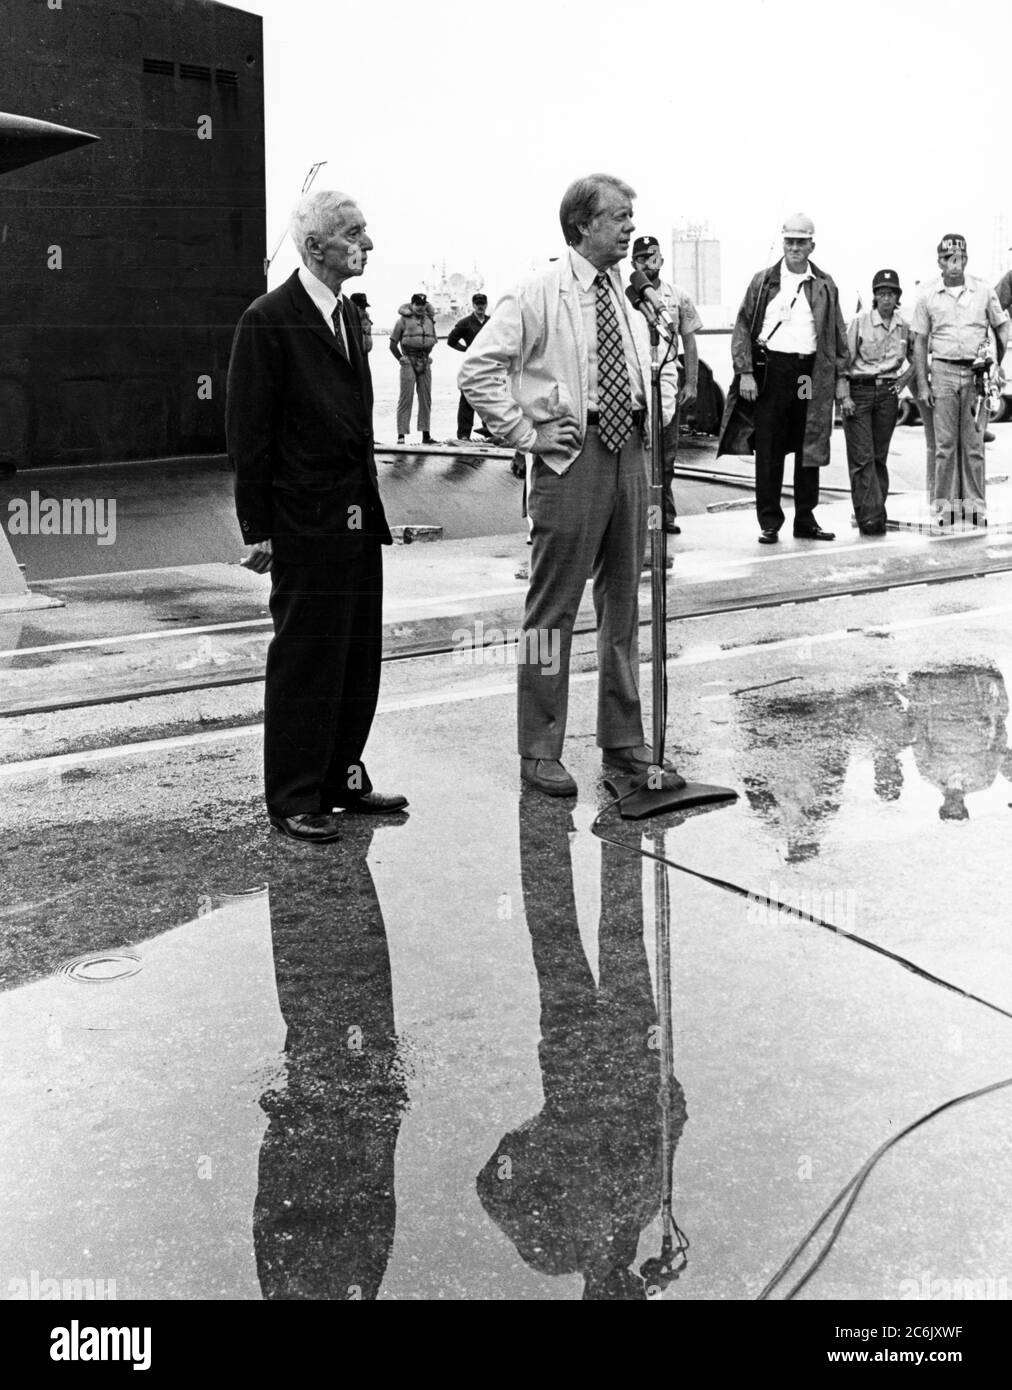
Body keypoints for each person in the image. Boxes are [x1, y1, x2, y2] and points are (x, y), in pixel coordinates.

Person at [458, 172, 683, 798]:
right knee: (552, 609)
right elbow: (477, 370)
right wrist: (527, 436)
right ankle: (539, 749)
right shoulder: (538, 294)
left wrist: (655, 413)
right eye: (619, 218)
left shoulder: (634, 297)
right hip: (571, 458)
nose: (630, 228)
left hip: (630, 454)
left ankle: (623, 741)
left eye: (632, 217)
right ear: (582, 225)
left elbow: (661, 364)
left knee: (623, 605)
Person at [226, 188, 407, 844]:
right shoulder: (268, 321)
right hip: (304, 522)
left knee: (356, 657)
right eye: (355, 234)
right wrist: (259, 529)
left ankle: (340, 779)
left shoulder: (346, 318)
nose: (369, 244)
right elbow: (250, 432)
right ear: (315, 247)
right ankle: (295, 795)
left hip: (356, 519)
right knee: (306, 658)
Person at [717, 213, 850, 545]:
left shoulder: (825, 284)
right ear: (783, 243)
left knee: (809, 442)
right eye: (789, 241)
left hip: (807, 376)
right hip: (772, 374)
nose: (794, 248)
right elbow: (743, 327)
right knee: (770, 447)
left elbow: (837, 332)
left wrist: (841, 378)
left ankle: (805, 518)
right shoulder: (763, 282)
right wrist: (745, 372)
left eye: (800, 242)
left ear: (811, 245)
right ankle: (770, 521)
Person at [912, 234, 1008, 528]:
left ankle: (976, 506)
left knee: (974, 443)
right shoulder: (927, 295)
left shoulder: (983, 290)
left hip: (976, 375)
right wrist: (924, 384)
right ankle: (944, 508)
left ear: (966, 259)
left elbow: (1001, 327)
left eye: (960, 258)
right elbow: (920, 341)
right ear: (939, 261)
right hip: (942, 370)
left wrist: (996, 366)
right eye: (947, 259)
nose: (954, 265)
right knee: (945, 445)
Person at [629, 234, 702, 534]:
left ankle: (663, 516)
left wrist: (693, 383)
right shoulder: (627, 297)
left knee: (666, 456)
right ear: (633, 262)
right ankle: (644, 519)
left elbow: (689, 340)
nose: (648, 263)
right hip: (635, 376)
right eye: (642, 258)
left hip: (668, 375)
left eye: (653, 257)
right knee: (639, 455)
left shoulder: (677, 296)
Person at [838, 269, 915, 535]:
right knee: (862, 458)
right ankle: (869, 518)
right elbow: (842, 361)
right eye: (881, 293)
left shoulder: (904, 326)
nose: (886, 298)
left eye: (891, 293)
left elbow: (920, 354)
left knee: (879, 457)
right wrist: (844, 395)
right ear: (874, 296)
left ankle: (873, 511)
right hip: (859, 393)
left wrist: (906, 378)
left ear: (897, 297)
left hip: (888, 395)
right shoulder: (859, 321)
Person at [389, 292, 438, 444]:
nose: (420, 308)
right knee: (406, 398)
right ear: (412, 304)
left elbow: (432, 340)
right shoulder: (402, 321)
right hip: (408, 360)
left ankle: (426, 435)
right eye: (417, 304)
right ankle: (401, 435)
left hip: (424, 361)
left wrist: (426, 356)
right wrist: (401, 359)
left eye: (423, 305)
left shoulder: (429, 320)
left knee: (425, 398)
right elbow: (392, 345)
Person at [447, 293, 491, 440]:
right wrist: (466, 350)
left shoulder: (492, 322)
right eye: (477, 303)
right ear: (473, 305)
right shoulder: (465, 322)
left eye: (483, 303)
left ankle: (490, 431)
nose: (480, 306)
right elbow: (451, 340)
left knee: (490, 397)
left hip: (489, 367)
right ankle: (464, 435)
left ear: (486, 305)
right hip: (471, 367)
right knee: (467, 398)